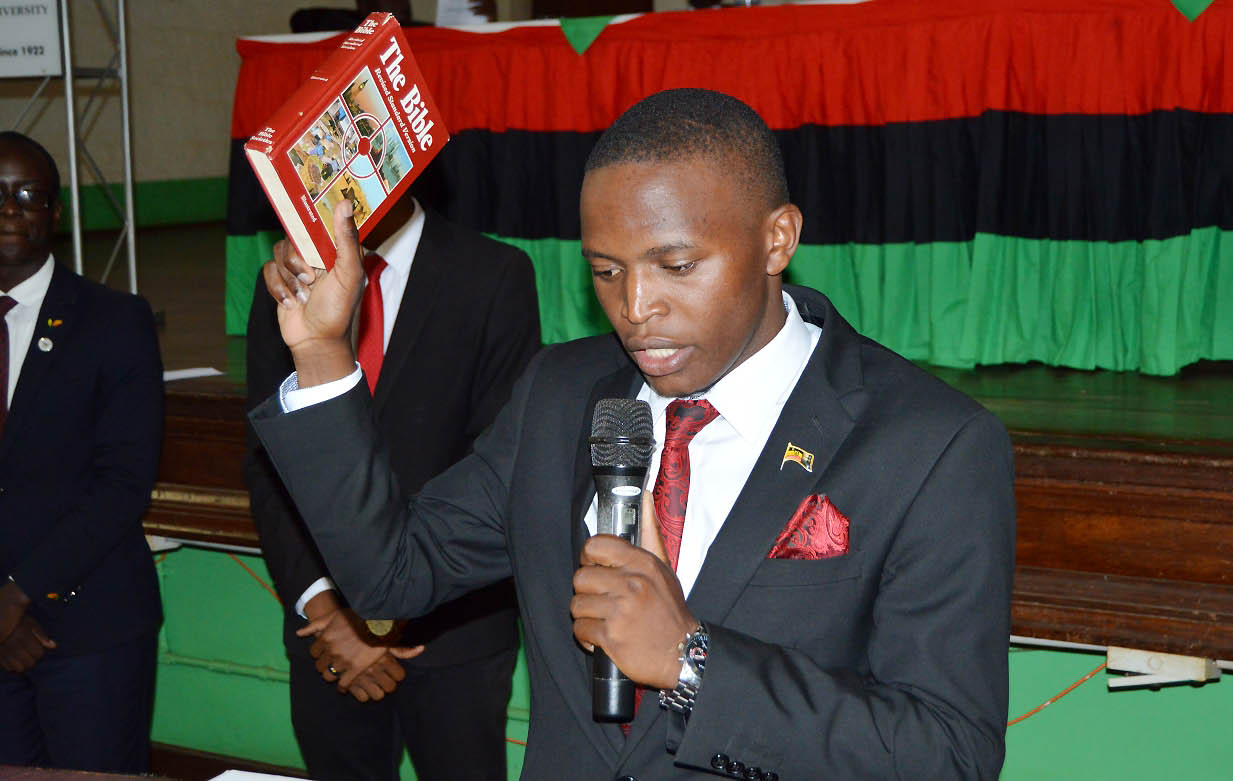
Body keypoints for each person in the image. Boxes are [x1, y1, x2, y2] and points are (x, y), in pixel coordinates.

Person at [250, 89, 1015, 778]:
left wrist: (694, 664)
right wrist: (321, 353)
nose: (636, 307)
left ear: (778, 239)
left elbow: (947, 753)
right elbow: (392, 575)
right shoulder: (559, 394)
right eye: (606, 271)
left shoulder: (931, 445)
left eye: (676, 264)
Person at [244, 191, 540, 781]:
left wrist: (378, 621)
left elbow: (497, 463)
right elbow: (270, 459)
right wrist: (329, 608)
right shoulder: (288, 280)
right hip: (324, 634)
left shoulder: (493, 273)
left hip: (453, 634)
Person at [0, 131, 163, 771]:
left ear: (56, 213)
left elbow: (123, 485)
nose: (10, 210)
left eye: (27, 195)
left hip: (90, 631)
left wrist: (15, 597)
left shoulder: (115, 321)